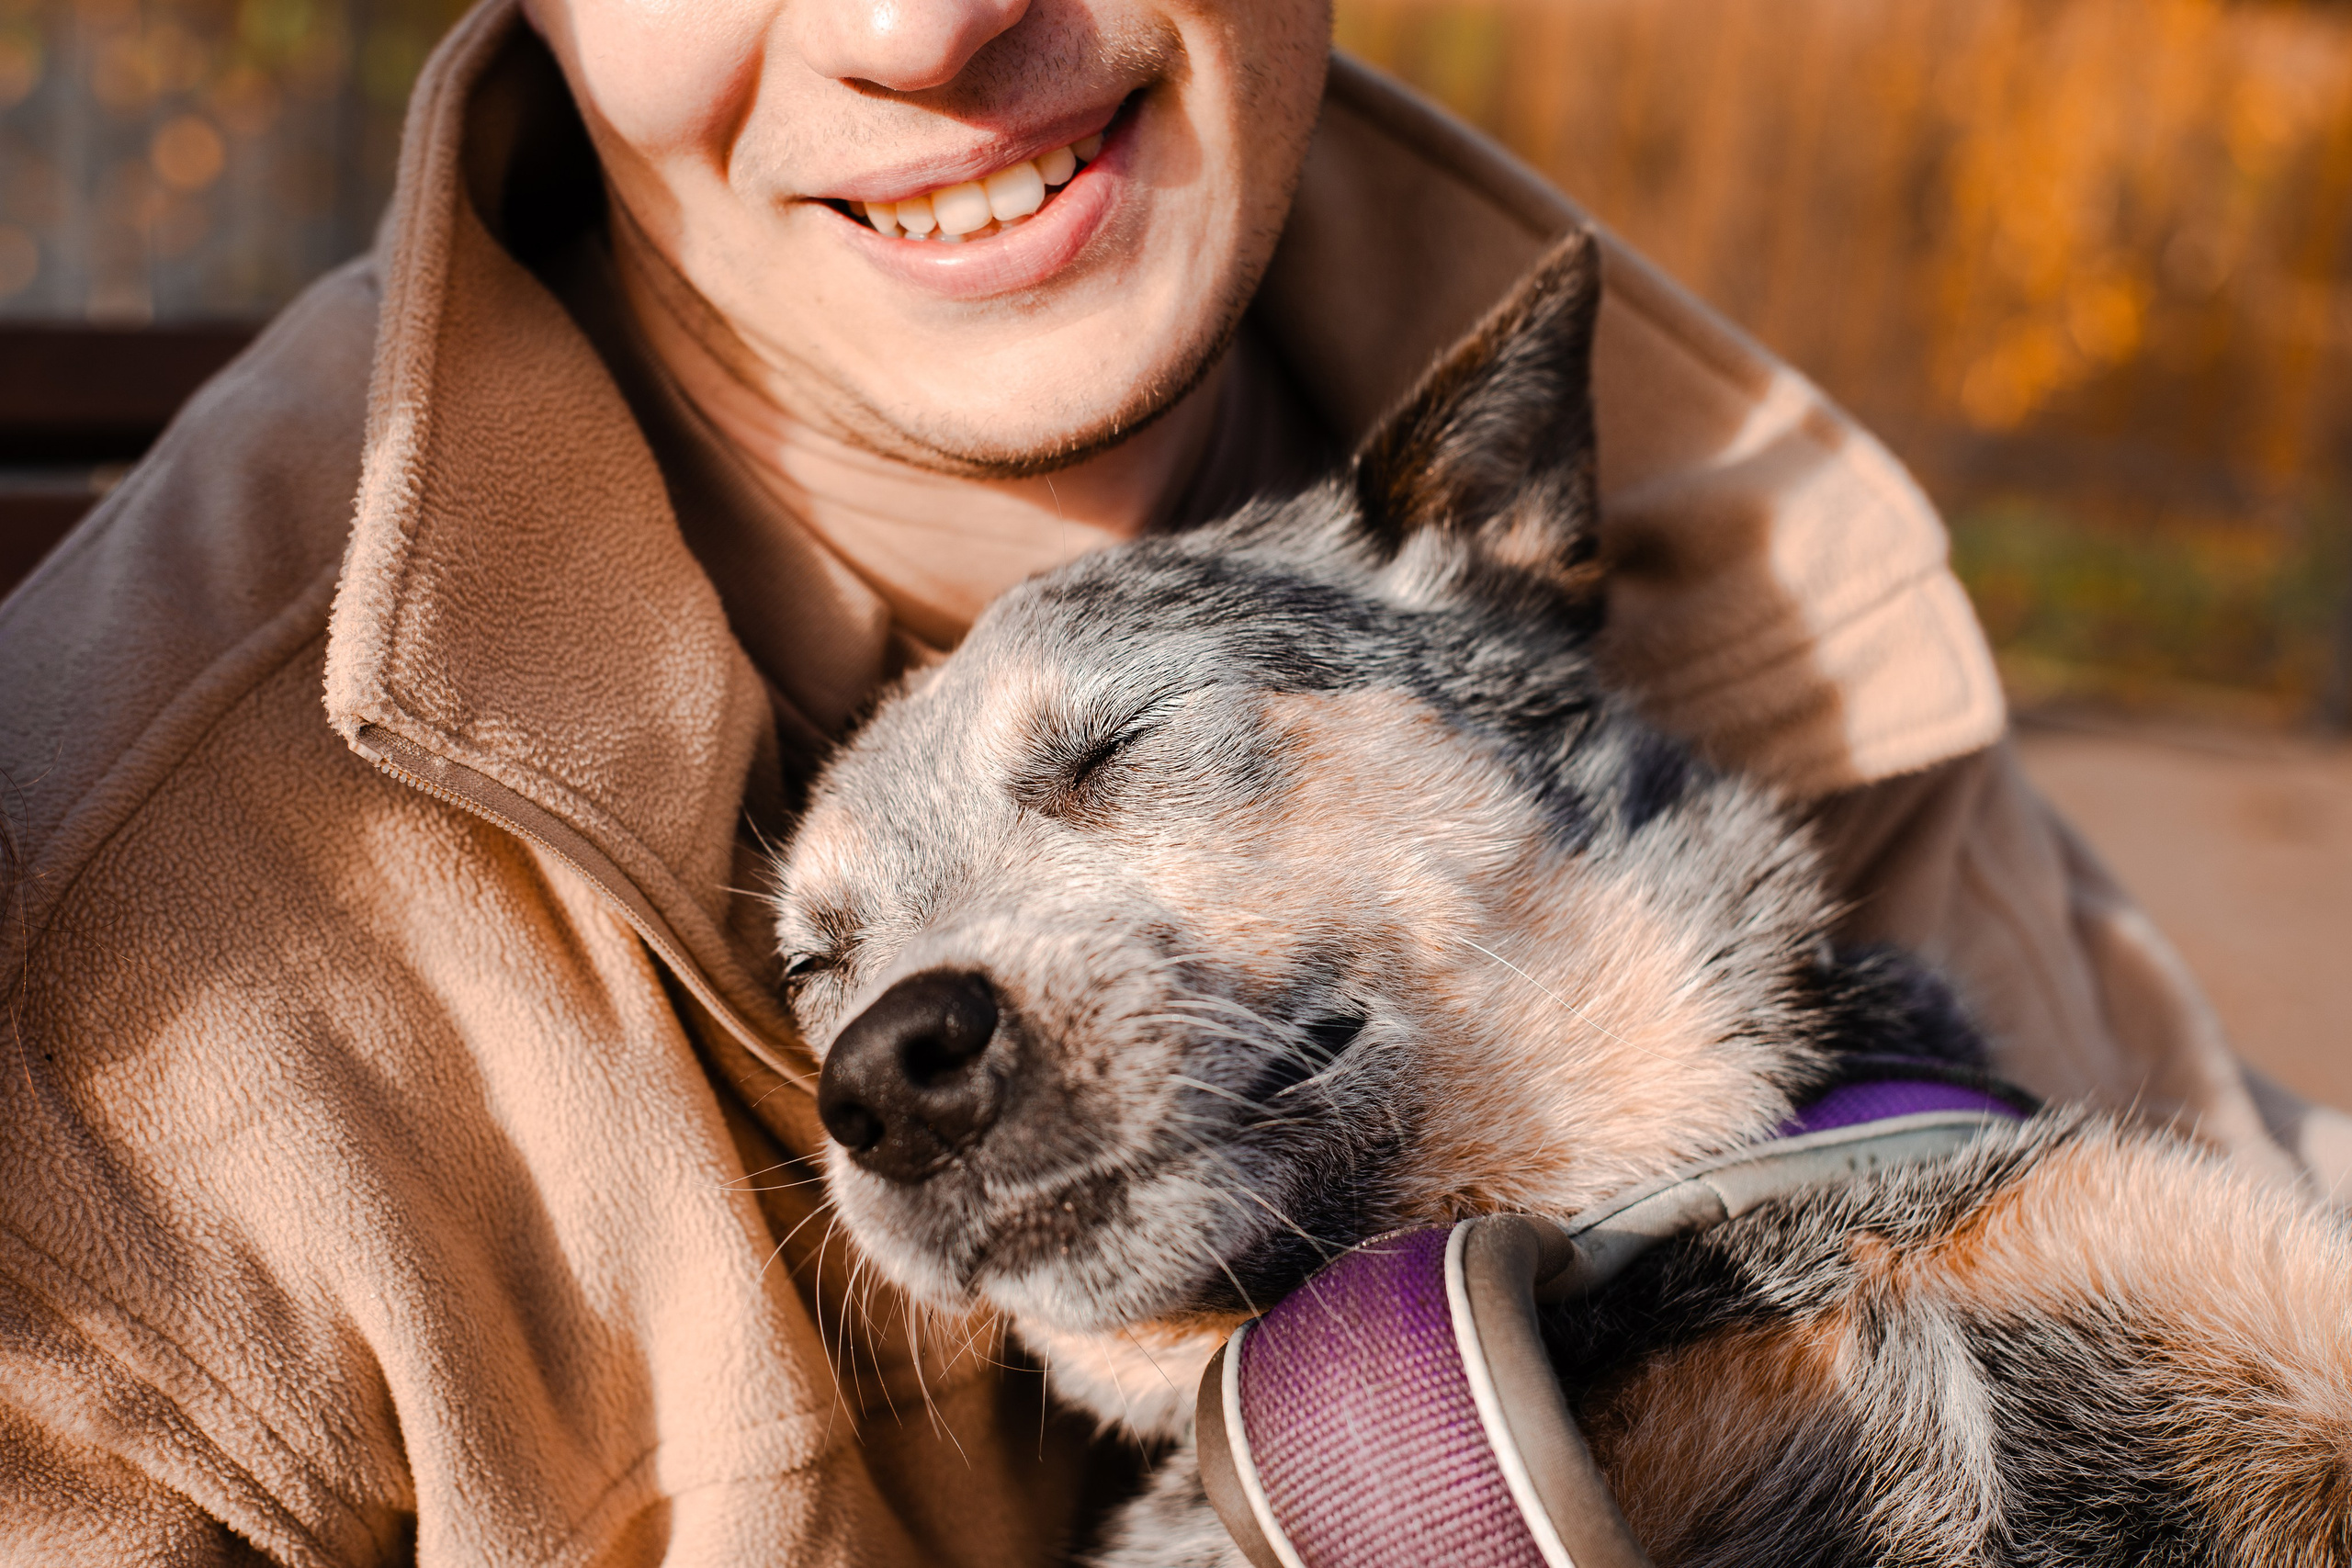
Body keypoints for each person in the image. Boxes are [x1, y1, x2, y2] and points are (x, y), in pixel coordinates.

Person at [1, 0, 2341, 1561]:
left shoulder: (1776, 559)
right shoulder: (109, 985)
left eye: (1113, 757)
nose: (924, 23)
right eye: (823, 966)